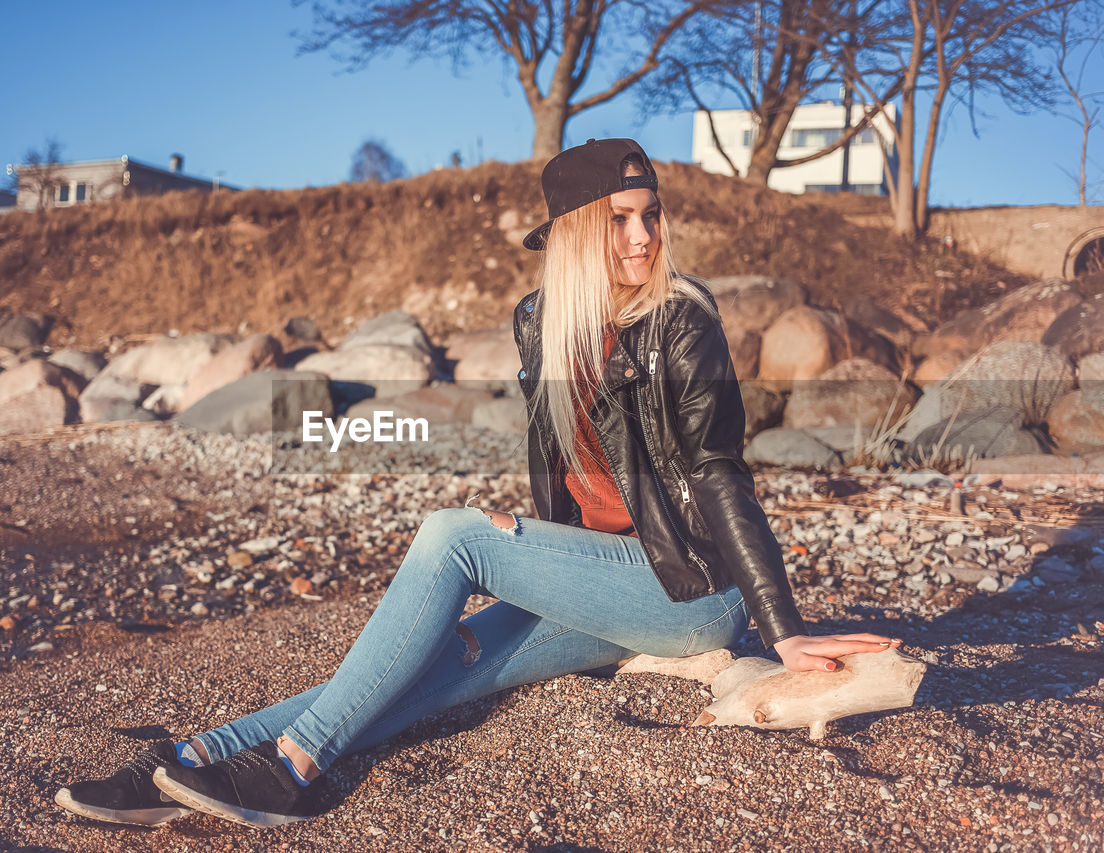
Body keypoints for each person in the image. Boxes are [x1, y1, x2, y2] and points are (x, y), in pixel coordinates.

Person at [54, 137, 901, 830]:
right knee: (442, 664)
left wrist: (781, 626)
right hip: (592, 576)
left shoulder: (682, 320)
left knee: (450, 534)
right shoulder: (541, 326)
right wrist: (534, 540)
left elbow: (718, 471)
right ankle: (196, 759)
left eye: (650, 216)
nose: (644, 237)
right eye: (620, 220)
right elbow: (578, 467)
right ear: (572, 233)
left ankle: (293, 765)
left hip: (685, 588)